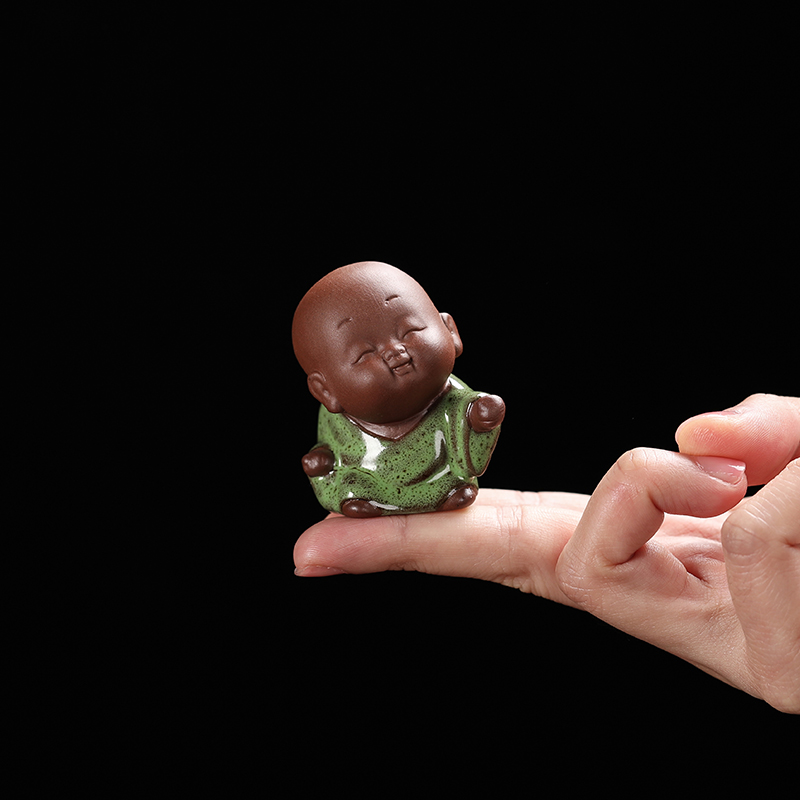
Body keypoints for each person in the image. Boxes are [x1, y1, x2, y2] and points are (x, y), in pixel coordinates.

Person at [294, 393, 800, 714]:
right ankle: (366, 497)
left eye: (410, 332)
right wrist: (325, 466)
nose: (395, 354)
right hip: (369, 485)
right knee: (336, 476)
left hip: (441, 479)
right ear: (325, 388)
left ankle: (441, 492)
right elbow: (330, 451)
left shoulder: (449, 397)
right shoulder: (337, 416)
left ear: (448, 332)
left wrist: (479, 422)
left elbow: (470, 435)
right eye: (364, 353)